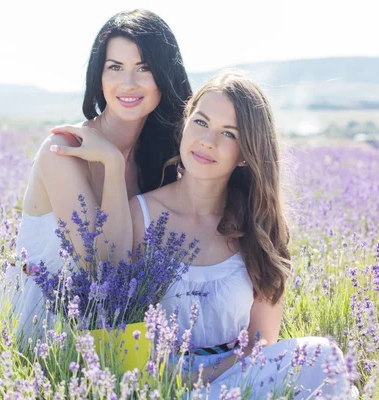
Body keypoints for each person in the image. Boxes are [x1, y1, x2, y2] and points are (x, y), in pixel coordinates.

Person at [56, 71, 355, 398]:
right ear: (185, 124)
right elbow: (110, 326)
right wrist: (112, 163)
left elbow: (262, 345)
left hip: (234, 382)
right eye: (200, 122)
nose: (208, 141)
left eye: (228, 133)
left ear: (246, 153)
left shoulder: (258, 228)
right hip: (158, 386)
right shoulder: (138, 216)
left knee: (321, 356)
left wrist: (211, 376)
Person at [0, 9, 192, 349]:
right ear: (98, 77)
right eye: (114, 67)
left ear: (165, 75)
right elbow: (105, 268)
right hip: (46, 330)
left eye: (143, 68)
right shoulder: (62, 150)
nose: (128, 83)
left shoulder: (161, 155)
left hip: (120, 330)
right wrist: (114, 167)